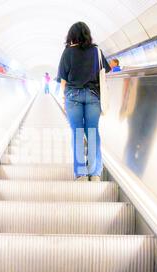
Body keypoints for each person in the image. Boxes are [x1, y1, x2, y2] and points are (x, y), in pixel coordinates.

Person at [57, 22, 111, 182]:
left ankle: (80, 173)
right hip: (93, 96)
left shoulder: (67, 52)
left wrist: (63, 98)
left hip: (73, 96)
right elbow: (105, 72)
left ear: (71, 35)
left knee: (77, 133)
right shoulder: (96, 51)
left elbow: (63, 79)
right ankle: (94, 173)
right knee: (92, 131)